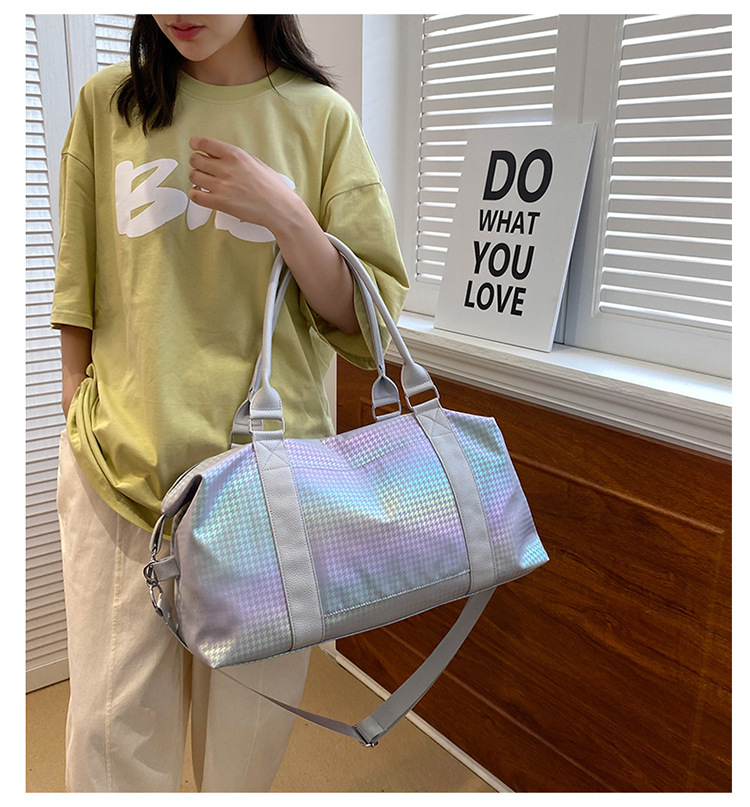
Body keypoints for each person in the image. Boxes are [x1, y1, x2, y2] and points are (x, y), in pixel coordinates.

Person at [51, 14, 408, 793]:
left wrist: (285, 212)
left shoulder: (321, 119)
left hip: (271, 494)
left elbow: (365, 320)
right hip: (121, 476)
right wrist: (74, 401)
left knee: (241, 756)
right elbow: (78, 280)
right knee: (111, 744)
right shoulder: (108, 105)